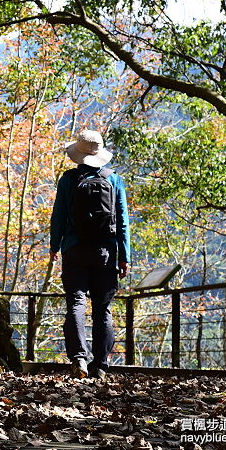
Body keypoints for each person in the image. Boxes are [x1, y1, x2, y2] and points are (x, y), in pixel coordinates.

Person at [49, 128, 130, 379]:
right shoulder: (114, 179)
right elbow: (123, 221)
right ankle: (101, 366)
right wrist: (125, 256)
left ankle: (79, 359)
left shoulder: (69, 180)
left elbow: (59, 216)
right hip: (106, 251)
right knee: (102, 309)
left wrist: (54, 246)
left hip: (74, 249)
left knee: (76, 303)